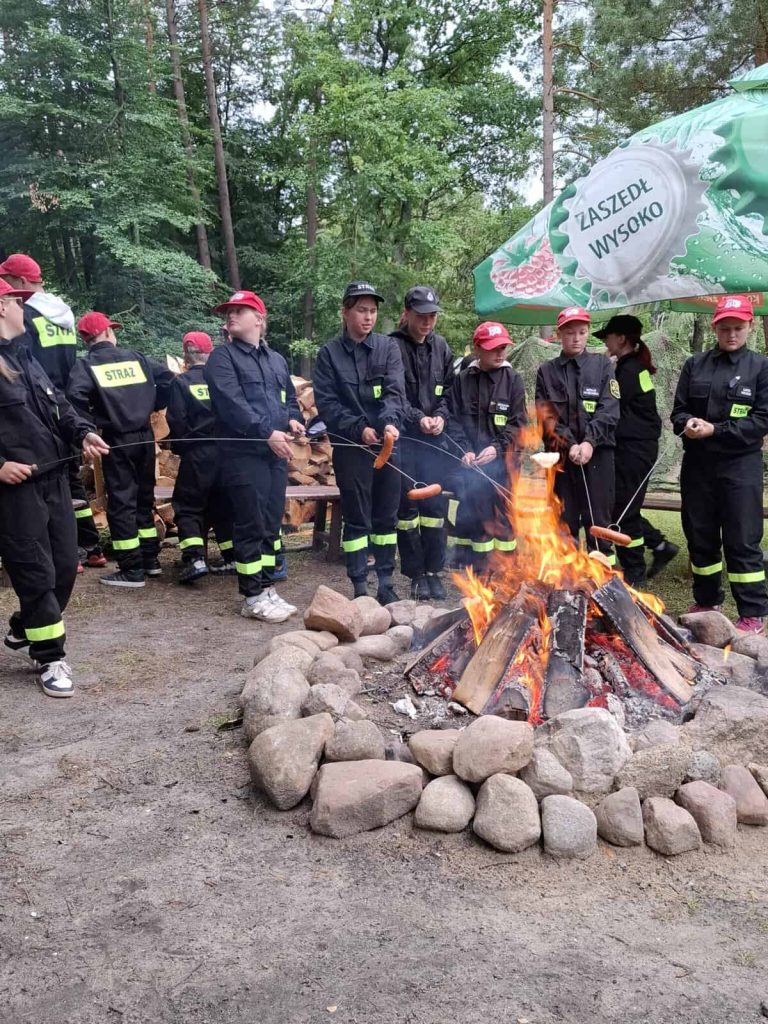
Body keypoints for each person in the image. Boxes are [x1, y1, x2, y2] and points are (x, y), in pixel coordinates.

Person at [0, 279, 109, 697]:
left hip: (55, 478)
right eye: (19, 303)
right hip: (15, 492)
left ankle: (23, 626)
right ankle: (49, 657)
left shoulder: (25, 355)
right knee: (36, 572)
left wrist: (83, 432)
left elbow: (59, 404)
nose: (26, 311)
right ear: (2, 306)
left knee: (64, 565)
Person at [0, 252, 105, 568]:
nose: (19, 302)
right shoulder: (63, 313)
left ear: (20, 281)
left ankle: (69, 550)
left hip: (38, 405)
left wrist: (80, 429)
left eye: (7, 280)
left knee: (63, 488)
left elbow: (36, 378)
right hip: (52, 407)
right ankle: (87, 545)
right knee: (71, 484)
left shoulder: (28, 321)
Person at [205, 290, 304, 622]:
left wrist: (293, 420)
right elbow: (232, 406)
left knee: (270, 524)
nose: (231, 316)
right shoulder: (222, 358)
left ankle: (266, 587)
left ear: (259, 319)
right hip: (242, 455)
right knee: (250, 523)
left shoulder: (276, 360)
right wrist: (266, 432)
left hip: (274, 455)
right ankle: (251, 596)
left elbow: (288, 399)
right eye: (229, 312)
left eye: (239, 310)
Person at [671, 294, 768, 633]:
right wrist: (687, 423)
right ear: (715, 328)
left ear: (749, 326)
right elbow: (678, 411)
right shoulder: (695, 365)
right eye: (725, 328)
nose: (731, 334)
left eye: (738, 327)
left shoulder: (761, 367)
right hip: (698, 465)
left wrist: (717, 430)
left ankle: (752, 612)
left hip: (741, 465)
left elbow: (762, 419)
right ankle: (706, 601)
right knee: (700, 535)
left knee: (742, 538)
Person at [313, 281, 406, 604]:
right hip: (351, 449)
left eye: (373, 311)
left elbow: (395, 392)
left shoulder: (388, 348)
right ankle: (359, 585)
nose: (368, 317)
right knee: (357, 518)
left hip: (388, 447)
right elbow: (327, 404)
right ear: (345, 312)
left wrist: (389, 423)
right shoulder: (328, 354)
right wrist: (359, 429)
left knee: (386, 518)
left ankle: (386, 582)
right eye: (362, 310)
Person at [67, 312, 174, 587]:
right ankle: (150, 561)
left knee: (121, 503)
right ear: (108, 332)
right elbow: (167, 378)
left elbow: (74, 397)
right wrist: (153, 404)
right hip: (145, 437)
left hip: (115, 439)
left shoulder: (86, 365)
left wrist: (89, 426)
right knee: (143, 499)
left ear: (85, 339)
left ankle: (131, 569)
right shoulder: (136, 358)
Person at [595, 314, 678, 585]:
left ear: (621, 339)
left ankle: (634, 575)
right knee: (622, 507)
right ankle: (660, 545)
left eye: (608, 336)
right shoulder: (630, 367)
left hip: (634, 450)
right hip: (633, 448)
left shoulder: (629, 371)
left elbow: (609, 407)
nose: (605, 341)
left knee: (624, 512)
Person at [535, 306, 620, 562]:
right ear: (559, 334)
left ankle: (603, 579)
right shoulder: (546, 371)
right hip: (562, 459)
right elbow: (546, 416)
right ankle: (566, 580)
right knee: (564, 522)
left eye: (582, 332)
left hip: (598, 457)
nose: (576, 338)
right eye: (570, 332)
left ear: (588, 333)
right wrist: (570, 444)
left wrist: (590, 442)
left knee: (599, 524)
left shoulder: (602, 366)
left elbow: (610, 409)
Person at [390, 286, 454, 600]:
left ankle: (433, 572)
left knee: (435, 511)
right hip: (405, 441)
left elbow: (450, 393)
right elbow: (394, 395)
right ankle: (415, 574)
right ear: (407, 314)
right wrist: (419, 418)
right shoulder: (391, 347)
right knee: (407, 512)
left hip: (435, 444)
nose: (427, 321)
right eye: (421, 316)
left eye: (432, 316)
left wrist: (440, 416)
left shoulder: (441, 347)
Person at [445, 322, 526, 571]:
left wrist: (496, 448)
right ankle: (477, 568)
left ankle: (506, 568)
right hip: (472, 464)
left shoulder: (513, 380)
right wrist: (465, 450)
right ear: (478, 349)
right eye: (493, 348)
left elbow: (518, 423)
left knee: (504, 515)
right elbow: (453, 421)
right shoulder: (463, 380)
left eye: (503, 347)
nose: (500, 353)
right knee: (475, 514)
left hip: (505, 463)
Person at [166, 331, 234, 583]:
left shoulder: (181, 383)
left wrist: (182, 448)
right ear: (210, 353)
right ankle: (232, 556)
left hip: (197, 454)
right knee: (223, 506)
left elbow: (177, 421)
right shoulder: (223, 380)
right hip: (226, 454)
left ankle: (194, 558)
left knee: (188, 506)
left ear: (186, 355)